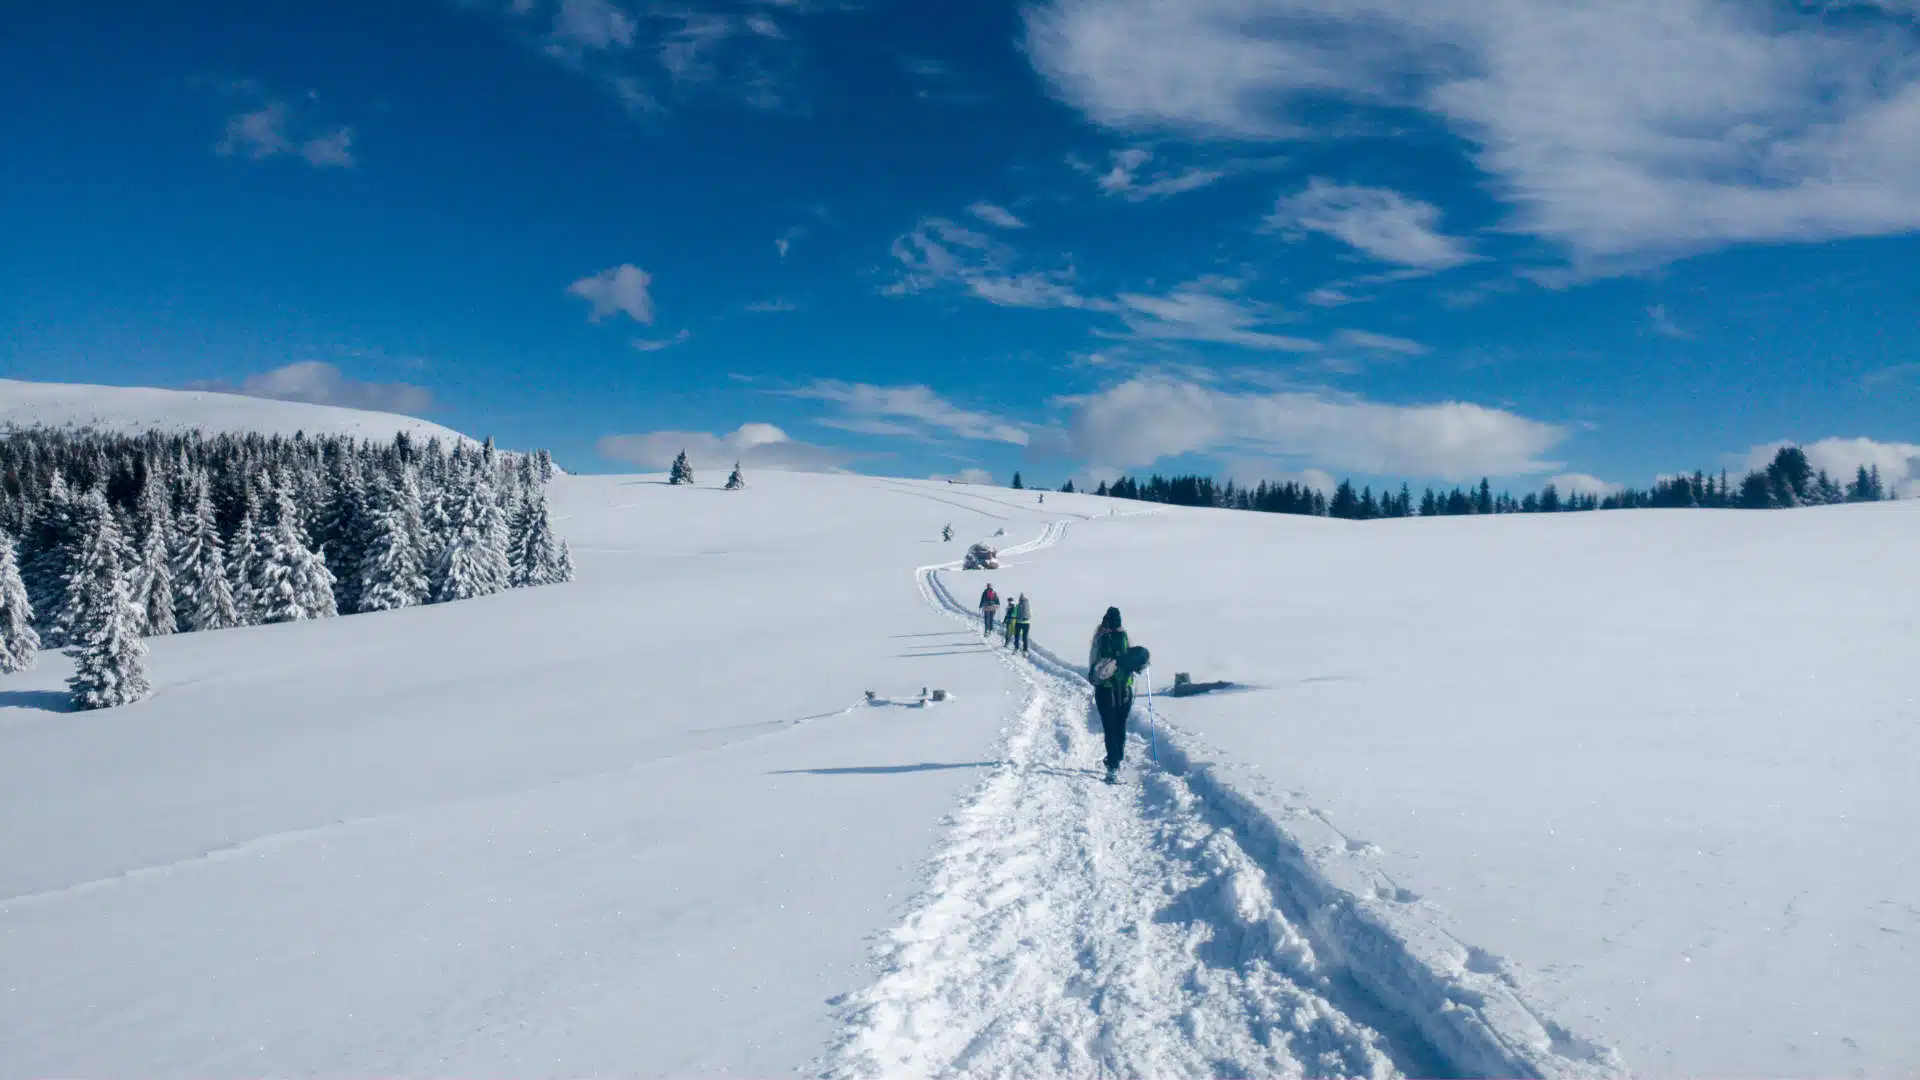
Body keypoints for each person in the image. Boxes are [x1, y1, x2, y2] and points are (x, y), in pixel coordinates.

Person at [1088, 606, 1133, 782]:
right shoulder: (1125, 638)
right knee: (1120, 725)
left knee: (1109, 727)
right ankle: (1117, 759)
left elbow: (1093, 663)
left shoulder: (1100, 639)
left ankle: (1112, 765)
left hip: (1105, 690)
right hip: (1125, 690)